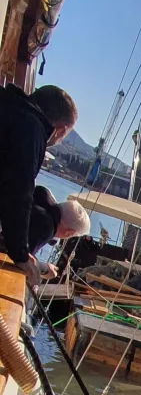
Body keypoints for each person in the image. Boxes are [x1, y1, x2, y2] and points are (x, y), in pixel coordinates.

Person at [0, 83, 77, 284]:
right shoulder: (31, 129)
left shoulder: (9, 104)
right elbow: (18, 190)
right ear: (59, 130)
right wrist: (20, 255)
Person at [27, 187, 90, 258]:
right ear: (69, 233)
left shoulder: (39, 194)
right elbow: (24, 258)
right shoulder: (46, 228)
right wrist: (44, 266)